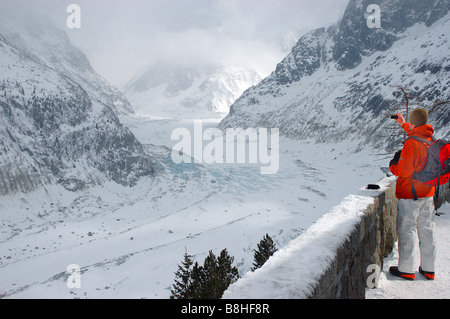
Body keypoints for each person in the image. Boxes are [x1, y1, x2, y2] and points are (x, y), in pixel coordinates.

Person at [389, 108, 436, 281]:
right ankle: (429, 269)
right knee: (427, 230)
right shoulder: (430, 139)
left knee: (407, 229)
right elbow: (415, 132)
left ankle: (406, 269)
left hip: (410, 194)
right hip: (427, 192)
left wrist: (393, 165)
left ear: (414, 122)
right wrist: (403, 124)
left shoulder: (411, 143)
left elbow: (404, 171)